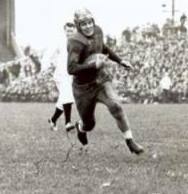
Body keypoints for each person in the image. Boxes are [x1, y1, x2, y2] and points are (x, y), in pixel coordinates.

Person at [67, 8, 144, 155]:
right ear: (78, 25)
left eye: (90, 22)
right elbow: (71, 68)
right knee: (89, 124)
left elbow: (102, 47)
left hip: (100, 78)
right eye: (83, 24)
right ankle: (80, 127)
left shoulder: (97, 31)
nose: (88, 26)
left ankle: (130, 141)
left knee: (115, 105)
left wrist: (120, 61)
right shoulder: (75, 42)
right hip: (82, 87)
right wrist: (92, 65)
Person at [47, 22, 77, 132]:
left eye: (71, 31)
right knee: (67, 96)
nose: (69, 33)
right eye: (67, 31)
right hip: (60, 74)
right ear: (64, 31)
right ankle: (68, 123)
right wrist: (45, 66)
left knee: (64, 99)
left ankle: (53, 119)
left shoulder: (76, 43)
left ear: (74, 31)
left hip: (70, 75)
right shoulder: (60, 42)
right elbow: (49, 53)